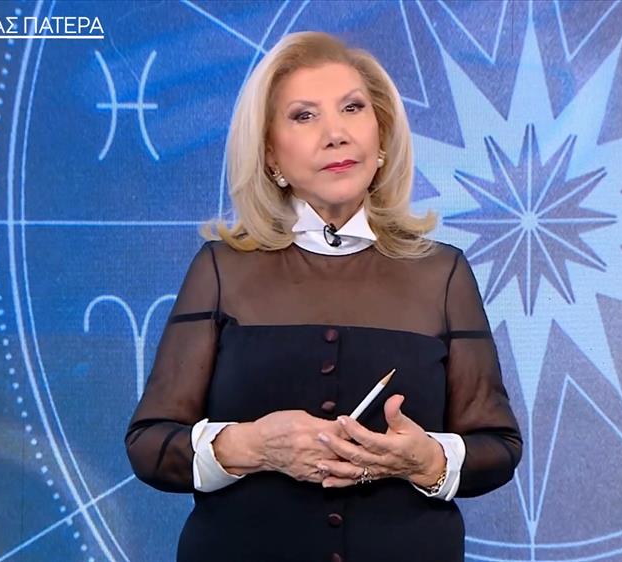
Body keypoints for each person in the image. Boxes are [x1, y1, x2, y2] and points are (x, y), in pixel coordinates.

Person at [125, 31, 523, 562]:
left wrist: (426, 460)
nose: (336, 134)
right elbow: (149, 444)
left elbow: (498, 447)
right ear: (270, 153)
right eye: (304, 116)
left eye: (352, 108)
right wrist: (253, 447)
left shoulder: (443, 273)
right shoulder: (221, 268)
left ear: (382, 137)